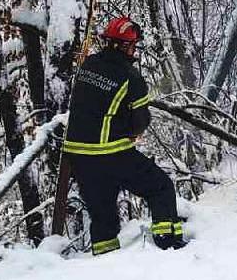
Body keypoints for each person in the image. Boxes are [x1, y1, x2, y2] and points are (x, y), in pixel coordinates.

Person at [63, 15, 187, 254]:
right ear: (124, 46)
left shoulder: (87, 66)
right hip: (110, 153)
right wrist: (130, 134)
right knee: (160, 187)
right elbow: (140, 121)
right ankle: (167, 243)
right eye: (132, 46)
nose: (134, 51)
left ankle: (106, 261)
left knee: (103, 218)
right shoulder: (131, 77)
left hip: (78, 156)